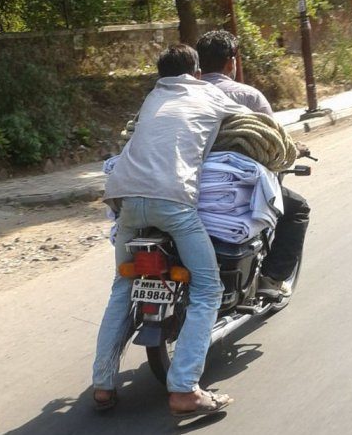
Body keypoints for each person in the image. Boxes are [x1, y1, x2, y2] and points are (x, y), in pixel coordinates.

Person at [92, 44, 253, 416]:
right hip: (172, 202)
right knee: (207, 288)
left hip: (124, 199)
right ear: (196, 73)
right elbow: (252, 124)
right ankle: (184, 389)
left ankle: (102, 385)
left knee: (122, 287)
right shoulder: (209, 93)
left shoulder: (152, 98)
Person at [196, 30, 311, 299]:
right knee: (297, 208)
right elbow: (273, 141)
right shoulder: (248, 96)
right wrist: (295, 150)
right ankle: (272, 279)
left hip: (185, 181)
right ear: (230, 63)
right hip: (234, 184)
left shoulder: (184, 96)